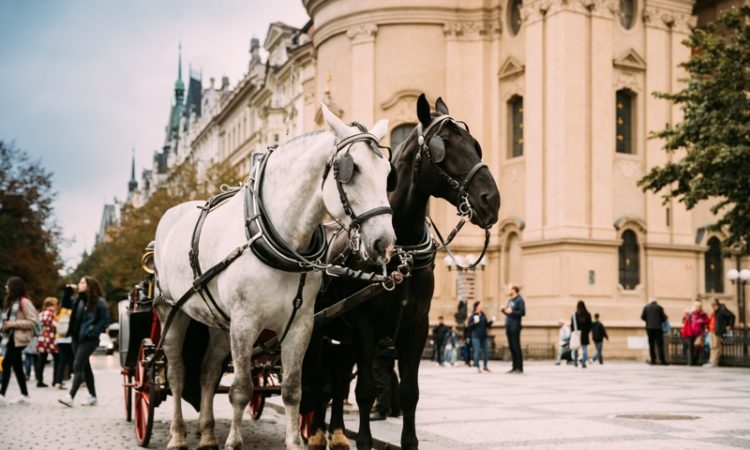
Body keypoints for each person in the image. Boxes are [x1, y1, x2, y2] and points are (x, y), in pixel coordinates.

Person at [58, 276, 110, 407]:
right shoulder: (79, 300)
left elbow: (105, 320)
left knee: (77, 365)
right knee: (85, 367)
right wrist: (68, 291)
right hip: (76, 338)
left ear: (89, 286)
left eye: (82, 283)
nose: (79, 284)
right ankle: (93, 397)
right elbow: (65, 304)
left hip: (89, 339)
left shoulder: (99, 302)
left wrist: (93, 331)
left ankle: (70, 396)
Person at [1, 277, 38, 405]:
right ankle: (25, 394)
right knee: (16, 366)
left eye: (8, 285)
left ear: (14, 287)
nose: (6, 287)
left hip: (19, 338)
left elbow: (32, 322)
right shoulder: (11, 302)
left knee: (6, 364)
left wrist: (13, 324)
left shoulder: (24, 302)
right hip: (10, 338)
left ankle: (1, 395)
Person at [704, 298, 736, 368]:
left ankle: (714, 362)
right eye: (711, 304)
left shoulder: (721, 309)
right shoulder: (714, 311)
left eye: (713, 304)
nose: (711, 305)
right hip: (711, 330)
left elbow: (732, 316)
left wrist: (729, 325)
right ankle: (711, 361)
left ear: (716, 303)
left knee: (716, 346)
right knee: (712, 347)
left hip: (717, 330)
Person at [35, 297, 59, 387]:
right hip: (51, 337)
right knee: (57, 358)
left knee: (42, 359)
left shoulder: (41, 314)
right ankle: (56, 380)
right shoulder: (53, 313)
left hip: (42, 337)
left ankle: (39, 380)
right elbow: (55, 325)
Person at [502, 284, 526, 374]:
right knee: (511, 347)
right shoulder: (510, 300)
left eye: (509, 289)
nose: (508, 290)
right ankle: (514, 367)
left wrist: (512, 312)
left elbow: (523, 312)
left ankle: (519, 367)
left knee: (516, 346)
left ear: (514, 290)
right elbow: (509, 312)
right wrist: (504, 311)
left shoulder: (520, 300)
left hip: (515, 326)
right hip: (509, 325)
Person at [467, 301, 494, 373]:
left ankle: (485, 366)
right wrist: (474, 323)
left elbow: (487, 325)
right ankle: (478, 367)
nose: (482, 306)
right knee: (477, 351)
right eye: (481, 305)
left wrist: (491, 321)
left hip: (484, 336)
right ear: (476, 307)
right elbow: (469, 326)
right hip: (476, 336)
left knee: (486, 352)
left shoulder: (483, 315)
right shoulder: (472, 315)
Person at [641, 298, 668, 365]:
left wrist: (648, 320)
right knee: (660, 345)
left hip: (649, 328)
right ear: (656, 302)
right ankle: (662, 360)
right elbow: (664, 318)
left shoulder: (646, 307)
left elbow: (642, 317)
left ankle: (653, 360)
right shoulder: (659, 308)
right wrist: (659, 321)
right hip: (658, 328)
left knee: (651, 345)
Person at [53, 297, 73, 389]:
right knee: (73, 359)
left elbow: (53, 322)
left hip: (59, 339)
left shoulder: (59, 312)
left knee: (62, 361)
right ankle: (79, 379)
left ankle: (58, 381)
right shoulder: (71, 311)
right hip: (69, 339)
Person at [684, 300, 708, 366]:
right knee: (690, 347)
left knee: (697, 347)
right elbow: (687, 322)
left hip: (699, 333)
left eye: (699, 307)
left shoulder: (703, 314)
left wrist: (702, 321)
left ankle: (695, 360)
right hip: (691, 333)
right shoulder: (691, 314)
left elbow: (707, 321)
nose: (697, 308)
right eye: (696, 306)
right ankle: (690, 361)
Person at [570, 300, 592, 368]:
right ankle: (583, 363)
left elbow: (572, 325)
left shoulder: (575, 315)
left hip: (577, 334)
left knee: (576, 349)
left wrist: (573, 331)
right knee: (584, 348)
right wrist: (587, 331)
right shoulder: (588, 314)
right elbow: (590, 325)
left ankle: (576, 362)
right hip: (585, 334)